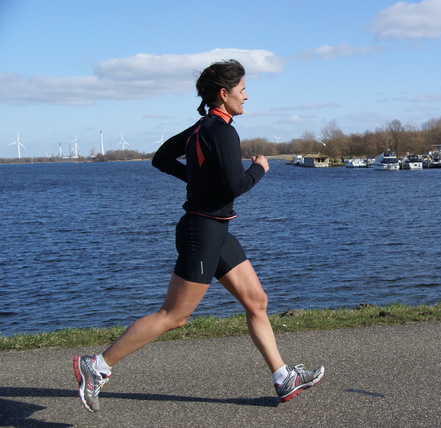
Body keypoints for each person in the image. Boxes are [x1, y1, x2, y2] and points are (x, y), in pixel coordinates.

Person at [73, 59, 324, 413]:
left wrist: (197, 180)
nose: (246, 97)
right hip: (202, 232)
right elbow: (235, 185)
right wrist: (259, 168)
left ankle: (284, 377)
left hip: (216, 229)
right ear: (224, 94)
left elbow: (161, 158)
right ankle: (96, 367)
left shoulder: (200, 127)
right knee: (174, 316)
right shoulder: (222, 130)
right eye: (242, 90)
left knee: (256, 301)